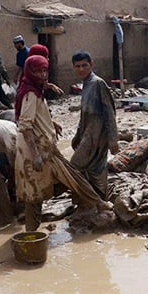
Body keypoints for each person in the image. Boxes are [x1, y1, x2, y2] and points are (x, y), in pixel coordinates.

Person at [14, 55, 110, 231]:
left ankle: (96, 203)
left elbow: (37, 117)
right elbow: (25, 126)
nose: (42, 75)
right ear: (30, 71)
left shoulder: (34, 89)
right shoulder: (30, 93)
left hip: (45, 148)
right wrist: (35, 156)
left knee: (60, 181)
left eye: (45, 71)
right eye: (38, 71)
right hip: (39, 151)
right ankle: (31, 234)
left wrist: (51, 123)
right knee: (47, 189)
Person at [70, 50, 119, 198]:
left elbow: (109, 112)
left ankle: (96, 201)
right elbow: (84, 115)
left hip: (98, 135)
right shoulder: (86, 84)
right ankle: (92, 200)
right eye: (77, 66)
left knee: (78, 166)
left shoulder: (98, 83)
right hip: (88, 134)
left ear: (91, 65)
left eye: (84, 65)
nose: (81, 69)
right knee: (91, 168)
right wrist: (77, 135)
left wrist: (113, 139)